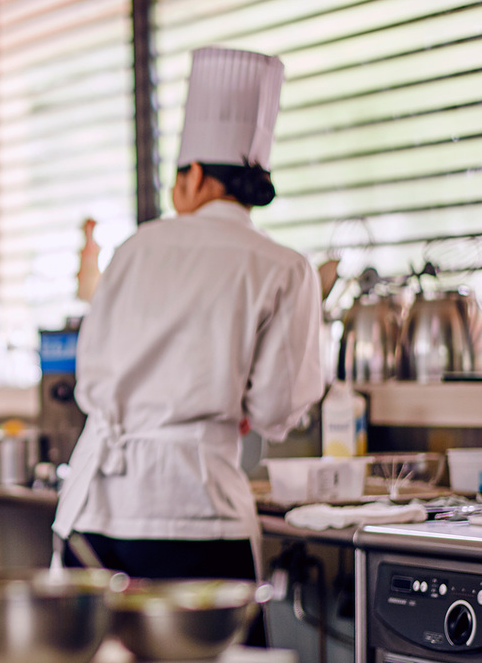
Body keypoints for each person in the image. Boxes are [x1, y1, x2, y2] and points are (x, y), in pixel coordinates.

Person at [52, 48, 324, 642]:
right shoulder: (284, 267)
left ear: (194, 175)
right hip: (197, 509)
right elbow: (280, 409)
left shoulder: (134, 249)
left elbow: (93, 375)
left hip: (97, 506)